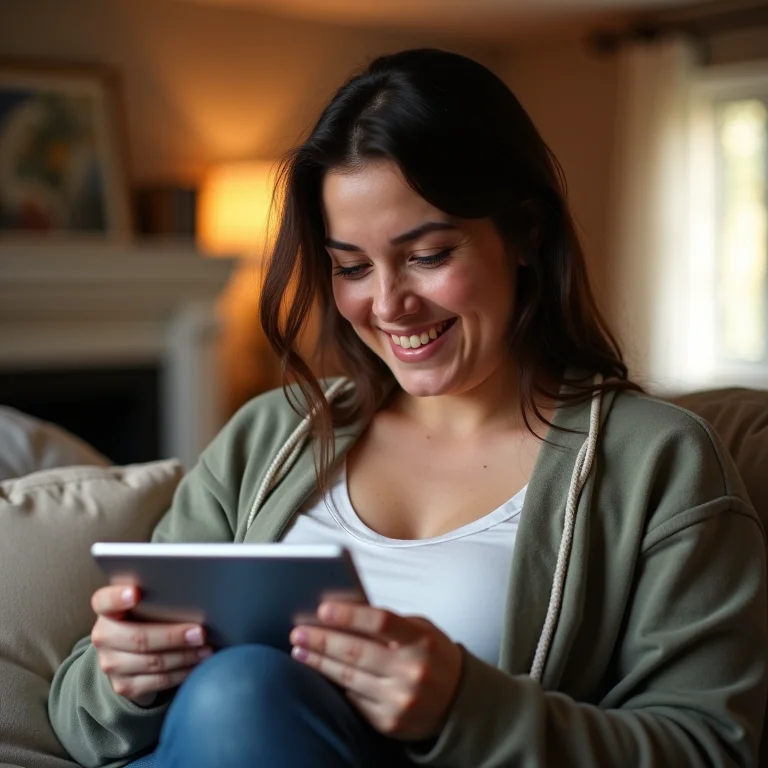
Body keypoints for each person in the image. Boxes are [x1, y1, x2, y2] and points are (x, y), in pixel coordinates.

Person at [48, 48, 767, 768]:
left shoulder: (659, 463)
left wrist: (463, 706)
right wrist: (124, 679)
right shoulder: (272, 435)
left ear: (525, 234)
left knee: (243, 690)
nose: (388, 305)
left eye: (427, 255)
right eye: (352, 267)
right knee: (243, 689)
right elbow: (80, 715)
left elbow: (708, 747)